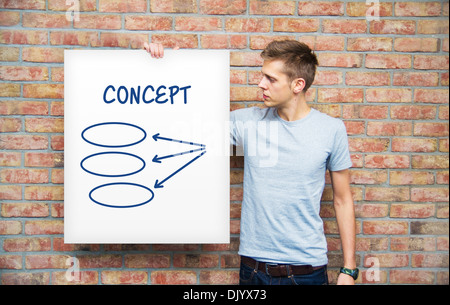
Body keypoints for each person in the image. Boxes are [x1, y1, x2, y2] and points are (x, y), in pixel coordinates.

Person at [144, 40, 358, 285]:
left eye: (271, 79)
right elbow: (184, 129)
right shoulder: (248, 123)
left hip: (307, 270)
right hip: (254, 270)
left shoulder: (331, 130)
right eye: (262, 76)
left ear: (298, 84)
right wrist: (170, 69)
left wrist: (349, 269)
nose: (261, 84)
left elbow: (342, 199)